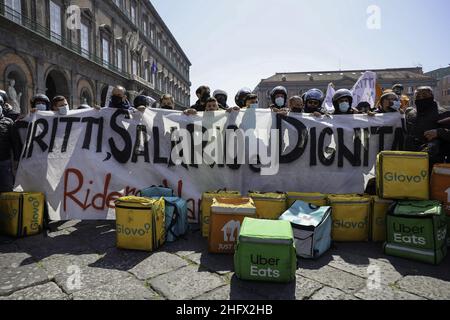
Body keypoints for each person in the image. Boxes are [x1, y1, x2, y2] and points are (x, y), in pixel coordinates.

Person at [405, 86, 450, 168]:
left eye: (425, 96)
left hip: (435, 161)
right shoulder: (411, 114)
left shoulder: (444, 113)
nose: (421, 98)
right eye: (418, 96)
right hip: (411, 158)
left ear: (432, 97)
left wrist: (439, 132)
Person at [0, 96, 16, 192]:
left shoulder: (8, 122)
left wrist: (16, 159)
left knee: (6, 188)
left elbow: (15, 142)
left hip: (4, 161)